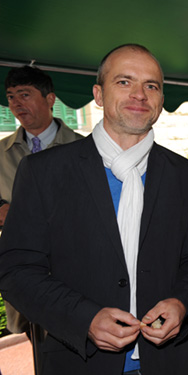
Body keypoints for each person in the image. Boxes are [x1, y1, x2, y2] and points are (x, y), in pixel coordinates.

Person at [0, 44, 188, 375]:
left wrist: (181, 302)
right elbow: (16, 271)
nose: (140, 94)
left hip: (168, 368)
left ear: (161, 99)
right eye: (125, 82)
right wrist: (85, 319)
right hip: (79, 367)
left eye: (151, 85)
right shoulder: (44, 171)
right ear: (98, 94)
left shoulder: (185, 174)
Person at [1, 65, 84, 337]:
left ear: (50, 100)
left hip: (74, 267)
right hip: (23, 267)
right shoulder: (1, 153)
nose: (15, 104)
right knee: (33, 340)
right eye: (11, 96)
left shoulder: (87, 149)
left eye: (24, 94)